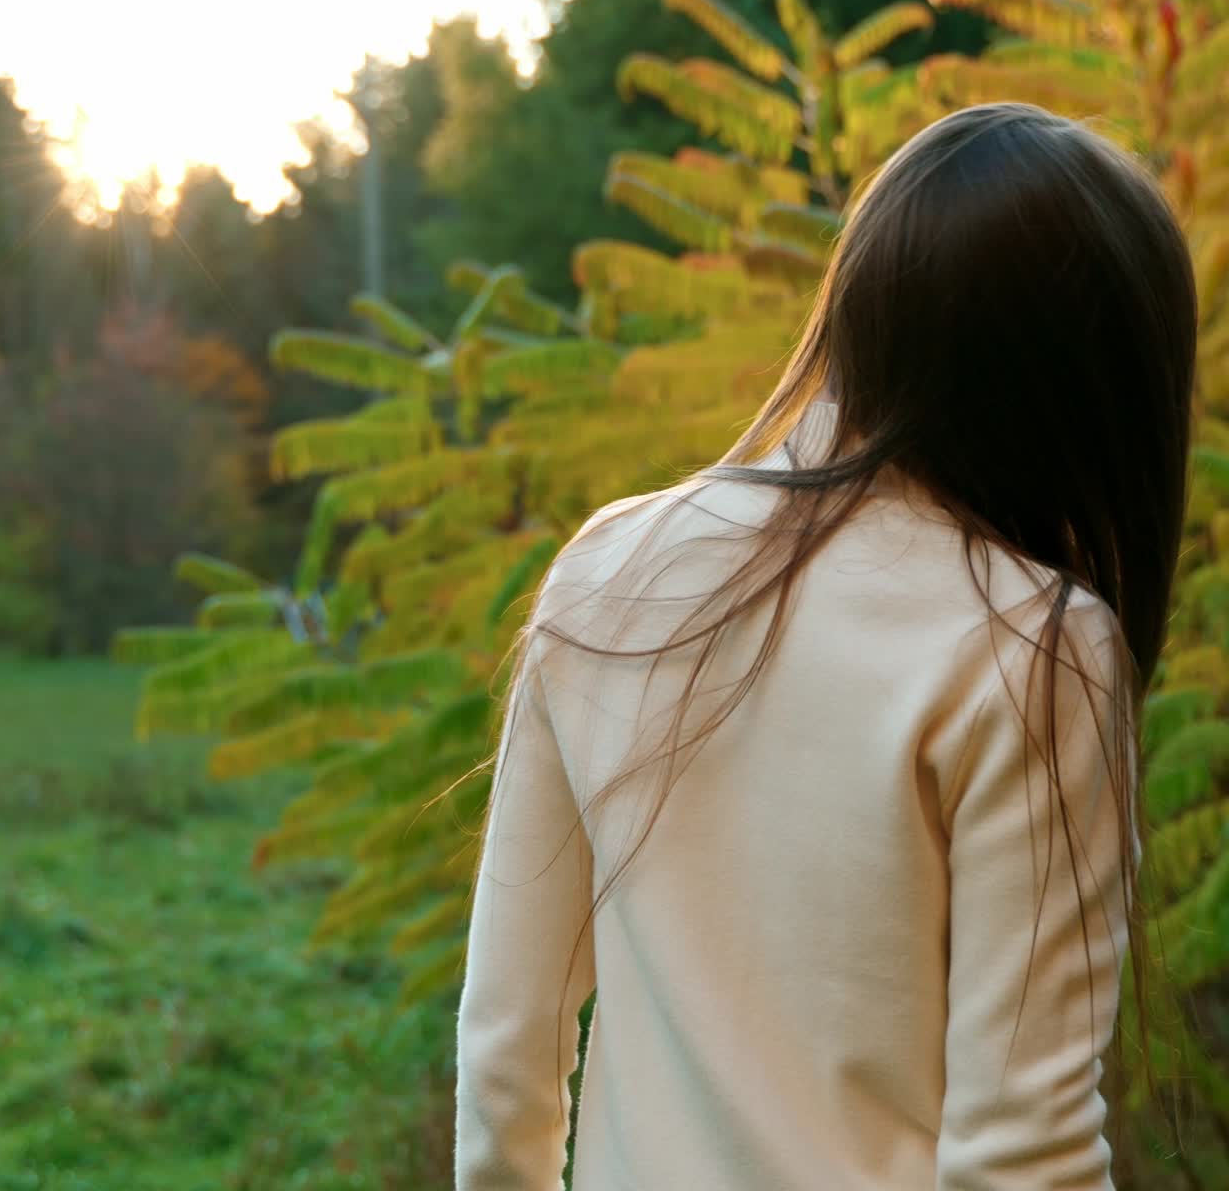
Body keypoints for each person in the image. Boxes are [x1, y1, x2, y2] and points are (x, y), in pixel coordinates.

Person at [453, 102, 1197, 1190]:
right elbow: (1020, 1159)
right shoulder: (1035, 645)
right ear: (1093, 386)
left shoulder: (607, 566)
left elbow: (505, 1049)